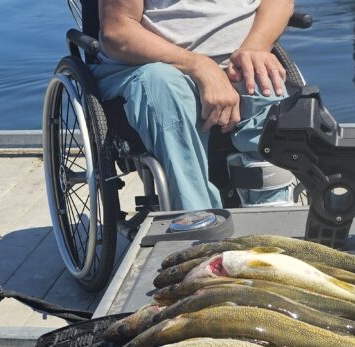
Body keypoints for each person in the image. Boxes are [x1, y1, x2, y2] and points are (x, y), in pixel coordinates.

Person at [92, 0, 295, 211]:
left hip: (237, 61)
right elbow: (117, 31)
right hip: (152, 67)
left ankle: (272, 208)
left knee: (264, 80)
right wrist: (200, 66)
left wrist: (255, 48)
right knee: (162, 86)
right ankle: (197, 217)